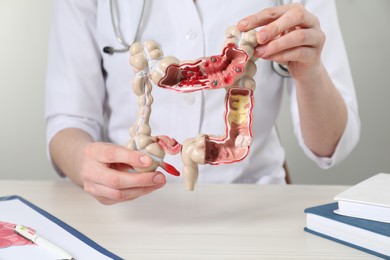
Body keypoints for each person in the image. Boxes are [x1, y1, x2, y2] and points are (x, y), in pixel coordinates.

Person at [45, 0, 360, 205]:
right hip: (127, 211)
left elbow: (331, 146)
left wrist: (311, 72)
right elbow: (68, 122)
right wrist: (84, 161)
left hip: (256, 209)